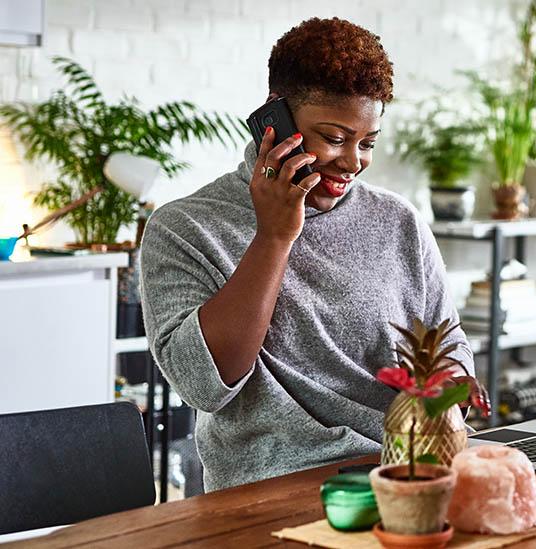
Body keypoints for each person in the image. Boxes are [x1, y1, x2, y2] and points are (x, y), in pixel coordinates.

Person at [140, 17, 484, 492]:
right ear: (274, 120)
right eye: (335, 138)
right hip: (275, 488)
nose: (352, 163)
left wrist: (448, 392)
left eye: (367, 143)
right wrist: (275, 236)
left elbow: (448, 339)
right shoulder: (185, 227)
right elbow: (204, 386)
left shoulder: (397, 220)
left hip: (412, 469)